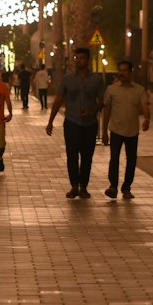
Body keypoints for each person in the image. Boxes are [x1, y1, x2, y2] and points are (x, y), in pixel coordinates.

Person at [45, 46, 106, 199]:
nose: (80, 61)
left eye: (83, 58)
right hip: (71, 122)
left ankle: (84, 186)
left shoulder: (97, 80)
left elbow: (103, 101)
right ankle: (74, 186)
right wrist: (50, 121)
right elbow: (59, 99)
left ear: (88, 60)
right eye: (77, 58)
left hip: (90, 124)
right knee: (72, 155)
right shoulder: (67, 79)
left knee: (87, 156)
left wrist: (92, 111)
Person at [101, 58, 150, 200]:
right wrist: (104, 132)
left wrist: (147, 119)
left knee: (131, 160)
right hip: (116, 130)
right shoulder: (111, 89)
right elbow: (107, 111)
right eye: (120, 70)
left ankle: (126, 188)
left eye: (125, 71)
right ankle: (113, 186)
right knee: (114, 158)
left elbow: (145, 106)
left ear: (130, 72)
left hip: (132, 131)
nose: (122, 73)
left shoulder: (139, 90)